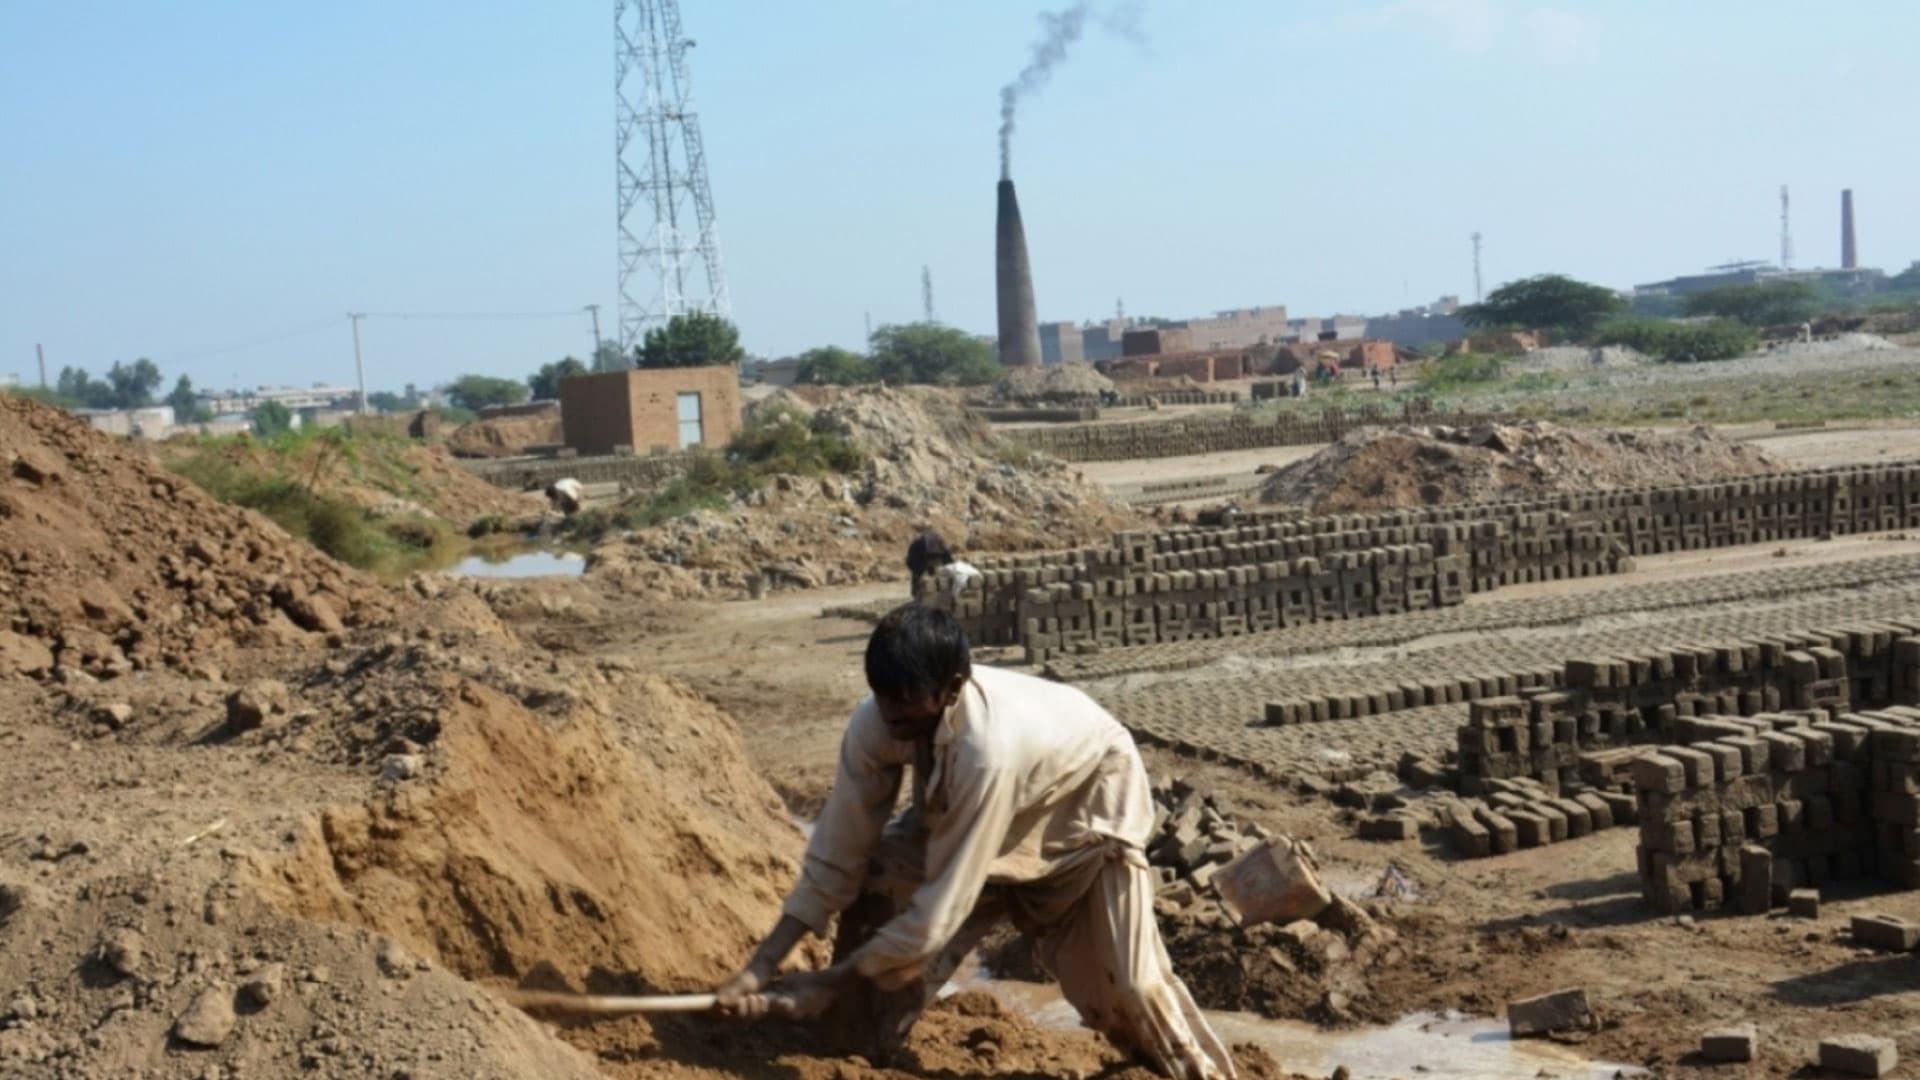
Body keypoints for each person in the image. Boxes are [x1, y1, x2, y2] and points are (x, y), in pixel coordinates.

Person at [716, 605, 1236, 1079]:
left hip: (1083, 806)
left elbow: (940, 908)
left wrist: (829, 981)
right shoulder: (877, 724)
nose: (891, 712)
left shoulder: (987, 749)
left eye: (905, 697)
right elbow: (837, 851)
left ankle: (1199, 1075)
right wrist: (761, 966)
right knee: (882, 880)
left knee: (1128, 990)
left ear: (952, 686)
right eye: (881, 694)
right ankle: (853, 1042)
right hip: (977, 805)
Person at [904, 531, 953, 597]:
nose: (933, 562)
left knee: (936, 575)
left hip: (925, 557)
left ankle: (933, 591)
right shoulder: (917, 550)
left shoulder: (940, 546)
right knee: (919, 576)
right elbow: (912, 563)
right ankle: (917, 592)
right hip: (918, 559)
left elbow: (949, 563)